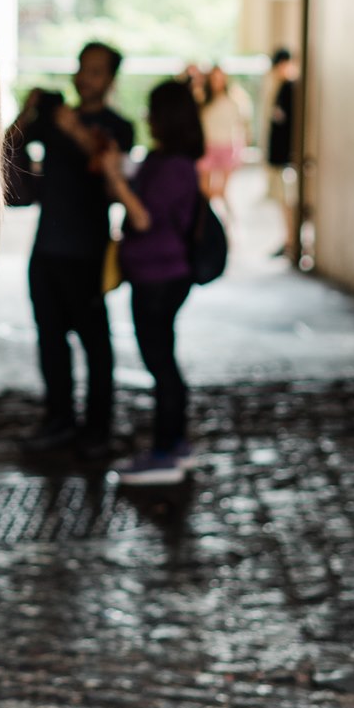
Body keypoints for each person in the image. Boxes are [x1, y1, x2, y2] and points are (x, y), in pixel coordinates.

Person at [7, 43, 134, 461]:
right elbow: (7, 148)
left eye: (96, 71)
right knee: (50, 341)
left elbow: (110, 174)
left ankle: (98, 428)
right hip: (46, 249)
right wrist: (28, 113)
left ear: (110, 80)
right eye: (82, 68)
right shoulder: (52, 118)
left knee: (96, 344)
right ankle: (58, 420)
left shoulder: (119, 126)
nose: (85, 77)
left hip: (88, 251)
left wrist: (73, 128)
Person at [99, 79, 204, 485]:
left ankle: (166, 452)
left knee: (161, 364)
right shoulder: (167, 160)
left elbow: (143, 218)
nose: (147, 118)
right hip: (158, 275)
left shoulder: (174, 166)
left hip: (161, 277)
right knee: (164, 362)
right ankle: (174, 445)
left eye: (153, 111)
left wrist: (118, 180)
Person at [196, 63, 251, 208]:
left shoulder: (233, 101)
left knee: (223, 191)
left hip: (226, 147)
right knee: (204, 189)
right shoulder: (203, 101)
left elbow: (241, 126)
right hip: (207, 146)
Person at [262, 46, 299, 258]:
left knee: (288, 201)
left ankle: (291, 241)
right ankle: (288, 239)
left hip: (287, 158)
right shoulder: (280, 88)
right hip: (281, 156)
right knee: (282, 201)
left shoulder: (290, 89)